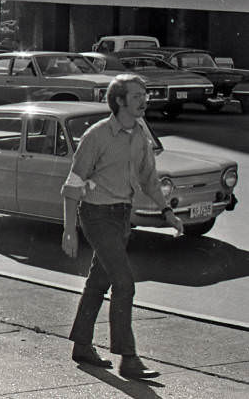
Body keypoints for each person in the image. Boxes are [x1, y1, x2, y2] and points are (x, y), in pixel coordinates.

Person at [61, 74, 183, 380]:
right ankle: (128, 358)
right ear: (119, 101)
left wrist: (167, 210)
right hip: (97, 215)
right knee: (124, 282)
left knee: (99, 282)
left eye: (145, 95)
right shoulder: (97, 135)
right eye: (137, 96)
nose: (145, 100)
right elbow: (72, 185)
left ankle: (81, 344)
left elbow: (149, 179)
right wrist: (69, 229)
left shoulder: (140, 134)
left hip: (122, 215)